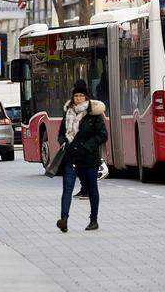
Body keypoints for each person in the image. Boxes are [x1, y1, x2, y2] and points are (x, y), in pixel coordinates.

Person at [56, 80, 107, 233]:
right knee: (67, 189)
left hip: (89, 158)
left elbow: (103, 135)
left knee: (92, 189)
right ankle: (64, 219)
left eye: (81, 95)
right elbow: (60, 133)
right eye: (76, 96)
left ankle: (94, 220)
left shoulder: (94, 114)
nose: (78, 98)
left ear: (86, 97)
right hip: (71, 157)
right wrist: (63, 142)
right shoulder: (68, 113)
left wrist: (87, 146)